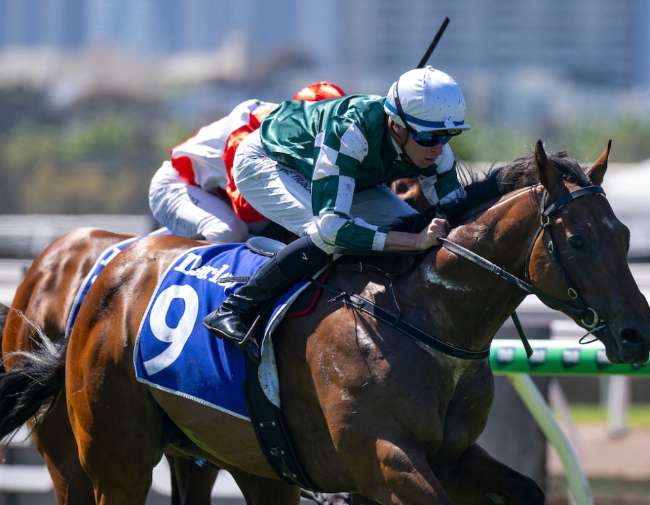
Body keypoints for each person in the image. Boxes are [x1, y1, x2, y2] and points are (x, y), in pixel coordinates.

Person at [202, 66, 471, 352]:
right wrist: (414, 241)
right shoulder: (351, 131)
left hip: (341, 173)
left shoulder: (435, 148)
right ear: (397, 126)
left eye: (448, 135)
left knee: (406, 221)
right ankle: (236, 308)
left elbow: (458, 210)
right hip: (269, 161)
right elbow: (333, 228)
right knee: (326, 236)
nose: (438, 148)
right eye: (428, 138)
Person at [148, 82, 347, 242]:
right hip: (178, 186)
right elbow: (247, 209)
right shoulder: (246, 132)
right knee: (228, 232)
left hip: (220, 196)